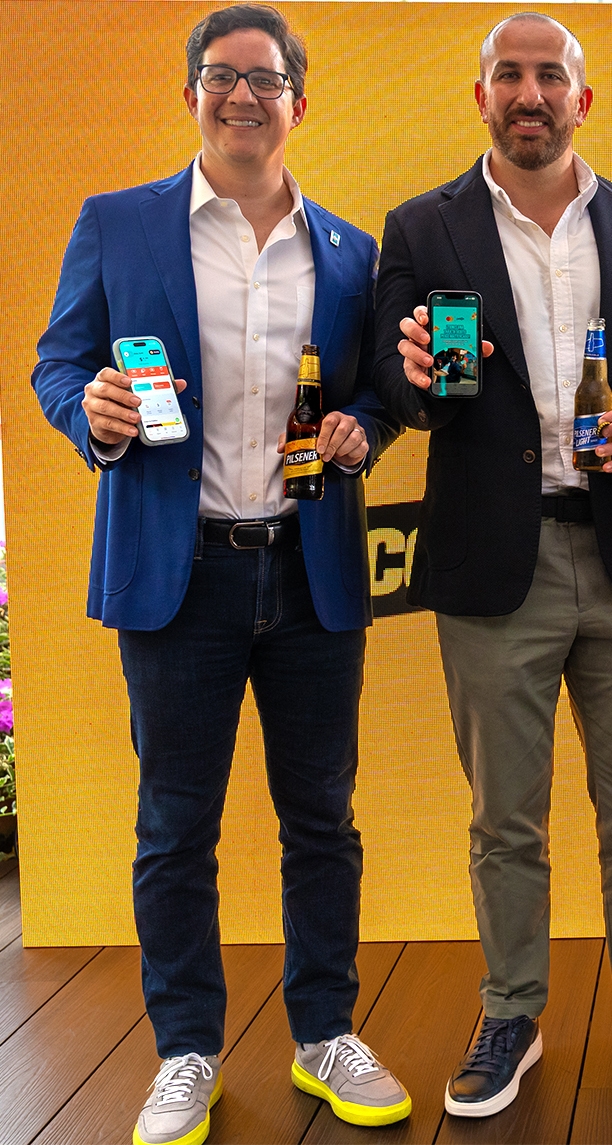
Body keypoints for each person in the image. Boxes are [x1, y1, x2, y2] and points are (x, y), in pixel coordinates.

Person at [30, 6, 411, 1143]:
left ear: (300, 101)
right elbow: (59, 364)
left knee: (322, 819)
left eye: (266, 79)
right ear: (192, 93)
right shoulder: (118, 224)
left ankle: (324, 1032)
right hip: (177, 571)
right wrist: (90, 413)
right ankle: (186, 1051)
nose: (244, 95)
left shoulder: (348, 251)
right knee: (174, 826)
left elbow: (378, 390)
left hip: (310, 570)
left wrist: (365, 426)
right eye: (221, 75)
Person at [375, 11, 612, 1119]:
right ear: (481, 95)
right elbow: (395, 387)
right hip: (495, 558)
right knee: (505, 817)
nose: (528, 93)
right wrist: (412, 377)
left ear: (582, 98)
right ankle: (511, 1012)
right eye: (509, 75)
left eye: (549, 76)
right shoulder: (420, 226)